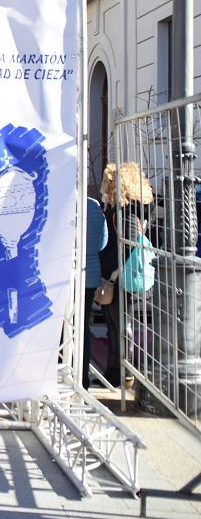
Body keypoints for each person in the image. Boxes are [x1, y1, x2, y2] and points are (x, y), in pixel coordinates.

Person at [98, 162, 153, 387]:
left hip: (120, 276)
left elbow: (127, 245)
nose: (104, 186)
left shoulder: (126, 211)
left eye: (107, 181)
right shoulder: (129, 208)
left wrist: (110, 272)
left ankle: (122, 372)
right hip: (122, 274)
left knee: (119, 324)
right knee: (116, 324)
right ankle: (117, 372)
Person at [83, 194, 108, 389]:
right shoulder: (94, 205)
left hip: (66, 272)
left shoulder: (60, 202)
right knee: (83, 327)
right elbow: (103, 242)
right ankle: (83, 377)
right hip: (90, 273)